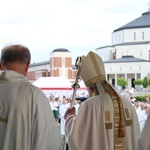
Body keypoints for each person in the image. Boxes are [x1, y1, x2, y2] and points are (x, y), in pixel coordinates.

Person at [64, 51, 140, 150]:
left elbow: (77, 138)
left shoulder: (90, 105)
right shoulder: (128, 105)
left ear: (90, 88)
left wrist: (69, 117)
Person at [0, 44, 63, 150]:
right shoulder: (35, 96)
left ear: (1, 65)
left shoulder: (35, 95)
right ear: (28, 65)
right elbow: (50, 142)